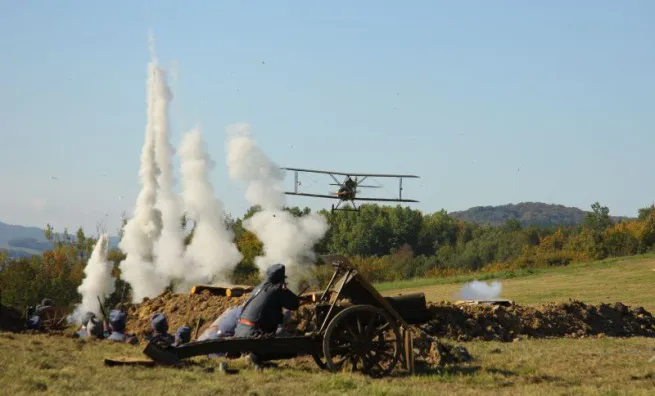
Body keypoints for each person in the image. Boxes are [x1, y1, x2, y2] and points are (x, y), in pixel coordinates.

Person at [234, 263, 300, 368]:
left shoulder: (258, 288)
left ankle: (253, 356)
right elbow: (295, 304)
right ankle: (255, 356)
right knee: (294, 349)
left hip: (240, 333)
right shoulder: (277, 288)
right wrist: (285, 290)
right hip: (253, 335)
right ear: (281, 279)